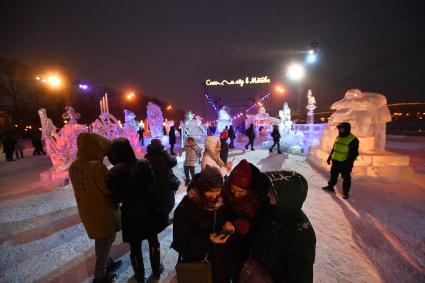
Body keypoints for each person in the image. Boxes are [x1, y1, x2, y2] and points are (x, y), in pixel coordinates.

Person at [107, 138, 167, 283]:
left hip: (130, 211)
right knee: (153, 240)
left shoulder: (113, 172)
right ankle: (156, 272)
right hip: (148, 206)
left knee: (135, 245)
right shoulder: (143, 163)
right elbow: (152, 182)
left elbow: (114, 198)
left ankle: (140, 277)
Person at [69, 133, 122, 283]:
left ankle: (106, 263)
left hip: (86, 210)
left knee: (101, 240)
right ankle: (100, 275)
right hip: (102, 211)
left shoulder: (74, 166)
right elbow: (108, 190)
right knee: (106, 240)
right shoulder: (97, 167)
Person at [250, 170, 316, 283]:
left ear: (288, 197)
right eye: (269, 189)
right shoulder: (272, 211)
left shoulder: (301, 233)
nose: (268, 194)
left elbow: (301, 276)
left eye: (274, 192)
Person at [172, 166, 235, 283]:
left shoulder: (223, 201)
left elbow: (229, 217)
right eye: (210, 191)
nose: (215, 195)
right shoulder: (187, 206)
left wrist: (229, 224)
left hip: (221, 266)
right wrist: (208, 239)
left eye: (218, 190)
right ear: (202, 188)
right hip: (199, 267)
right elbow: (180, 243)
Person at [223, 159, 267, 282]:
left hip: (247, 253)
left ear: (249, 191)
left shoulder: (257, 202)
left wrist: (250, 225)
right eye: (233, 190)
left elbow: (262, 228)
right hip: (227, 249)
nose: (236, 195)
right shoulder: (224, 195)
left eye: (241, 191)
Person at [322, 122, 359, 199]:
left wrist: (348, 163)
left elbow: (353, 154)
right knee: (333, 175)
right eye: (339, 129)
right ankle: (330, 187)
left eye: (342, 128)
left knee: (346, 177)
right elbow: (334, 148)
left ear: (347, 129)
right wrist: (330, 157)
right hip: (336, 160)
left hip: (345, 162)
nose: (340, 130)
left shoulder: (353, 139)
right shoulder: (338, 137)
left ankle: (345, 192)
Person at [145, 138, 179, 218]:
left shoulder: (148, 156)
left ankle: (160, 216)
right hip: (166, 181)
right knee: (168, 201)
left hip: (154, 183)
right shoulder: (163, 155)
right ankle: (164, 218)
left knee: (159, 200)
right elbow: (174, 162)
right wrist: (165, 152)